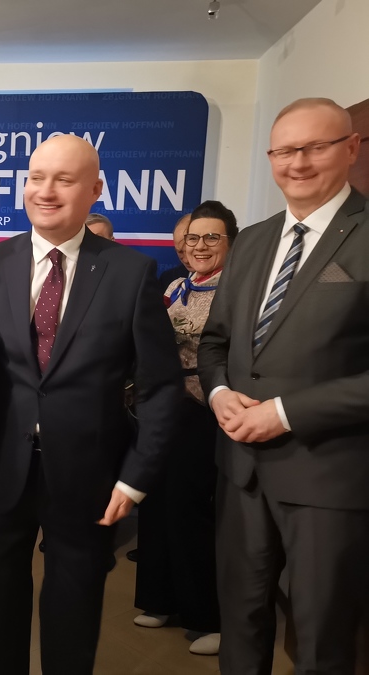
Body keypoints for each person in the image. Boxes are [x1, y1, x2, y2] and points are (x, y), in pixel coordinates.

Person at [0, 134, 182, 674]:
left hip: (89, 475)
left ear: (95, 189)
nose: (46, 191)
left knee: (74, 607)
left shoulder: (131, 273)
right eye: (36, 178)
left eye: (64, 179)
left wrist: (135, 479)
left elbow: (160, 386)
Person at [199, 97, 369, 674]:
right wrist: (219, 393)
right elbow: (215, 342)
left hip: (328, 477)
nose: (297, 163)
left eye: (314, 147)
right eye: (283, 150)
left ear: (351, 148)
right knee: (241, 625)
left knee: (322, 639)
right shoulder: (251, 240)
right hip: (240, 472)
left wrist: (286, 412)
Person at [133, 200, 238, 656]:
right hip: (162, 409)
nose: (199, 245)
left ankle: (206, 616)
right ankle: (159, 599)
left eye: (212, 237)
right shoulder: (176, 285)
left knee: (192, 510)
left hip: (205, 410)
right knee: (155, 502)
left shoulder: (238, 289)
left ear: (232, 242)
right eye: (193, 237)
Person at [158, 213, 194, 290]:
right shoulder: (168, 278)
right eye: (180, 252)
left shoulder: (221, 280)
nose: (186, 260)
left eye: (191, 252)